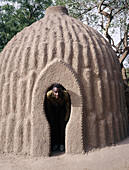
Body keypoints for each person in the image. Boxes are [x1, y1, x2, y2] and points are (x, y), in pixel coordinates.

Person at [45, 84, 70, 151]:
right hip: (54, 109)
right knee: (54, 126)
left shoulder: (65, 95)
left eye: (59, 92)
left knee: (62, 126)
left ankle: (62, 143)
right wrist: (51, 118)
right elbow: (48, 108)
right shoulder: (48, 95)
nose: (57, 94)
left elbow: (68, 108)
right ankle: (55, 143)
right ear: (52, 91)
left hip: (62, 109)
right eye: (55, 92)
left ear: (61, 91)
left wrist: (66, 119)